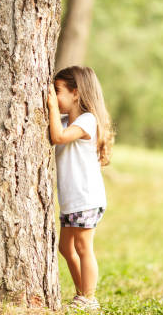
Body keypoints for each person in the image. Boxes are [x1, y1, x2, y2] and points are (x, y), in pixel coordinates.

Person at [47, 66, 115, 311]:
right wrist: (55, 110)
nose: (53, 97)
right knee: (65, 247)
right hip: (72, 199)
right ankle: (81, 294)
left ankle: (89, 298)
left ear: (75, 93)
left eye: (57, 91)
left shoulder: (87, 121)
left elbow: (59, 137)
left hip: (86, 197)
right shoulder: (66, 120)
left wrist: (52, 107)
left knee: (83, 247)